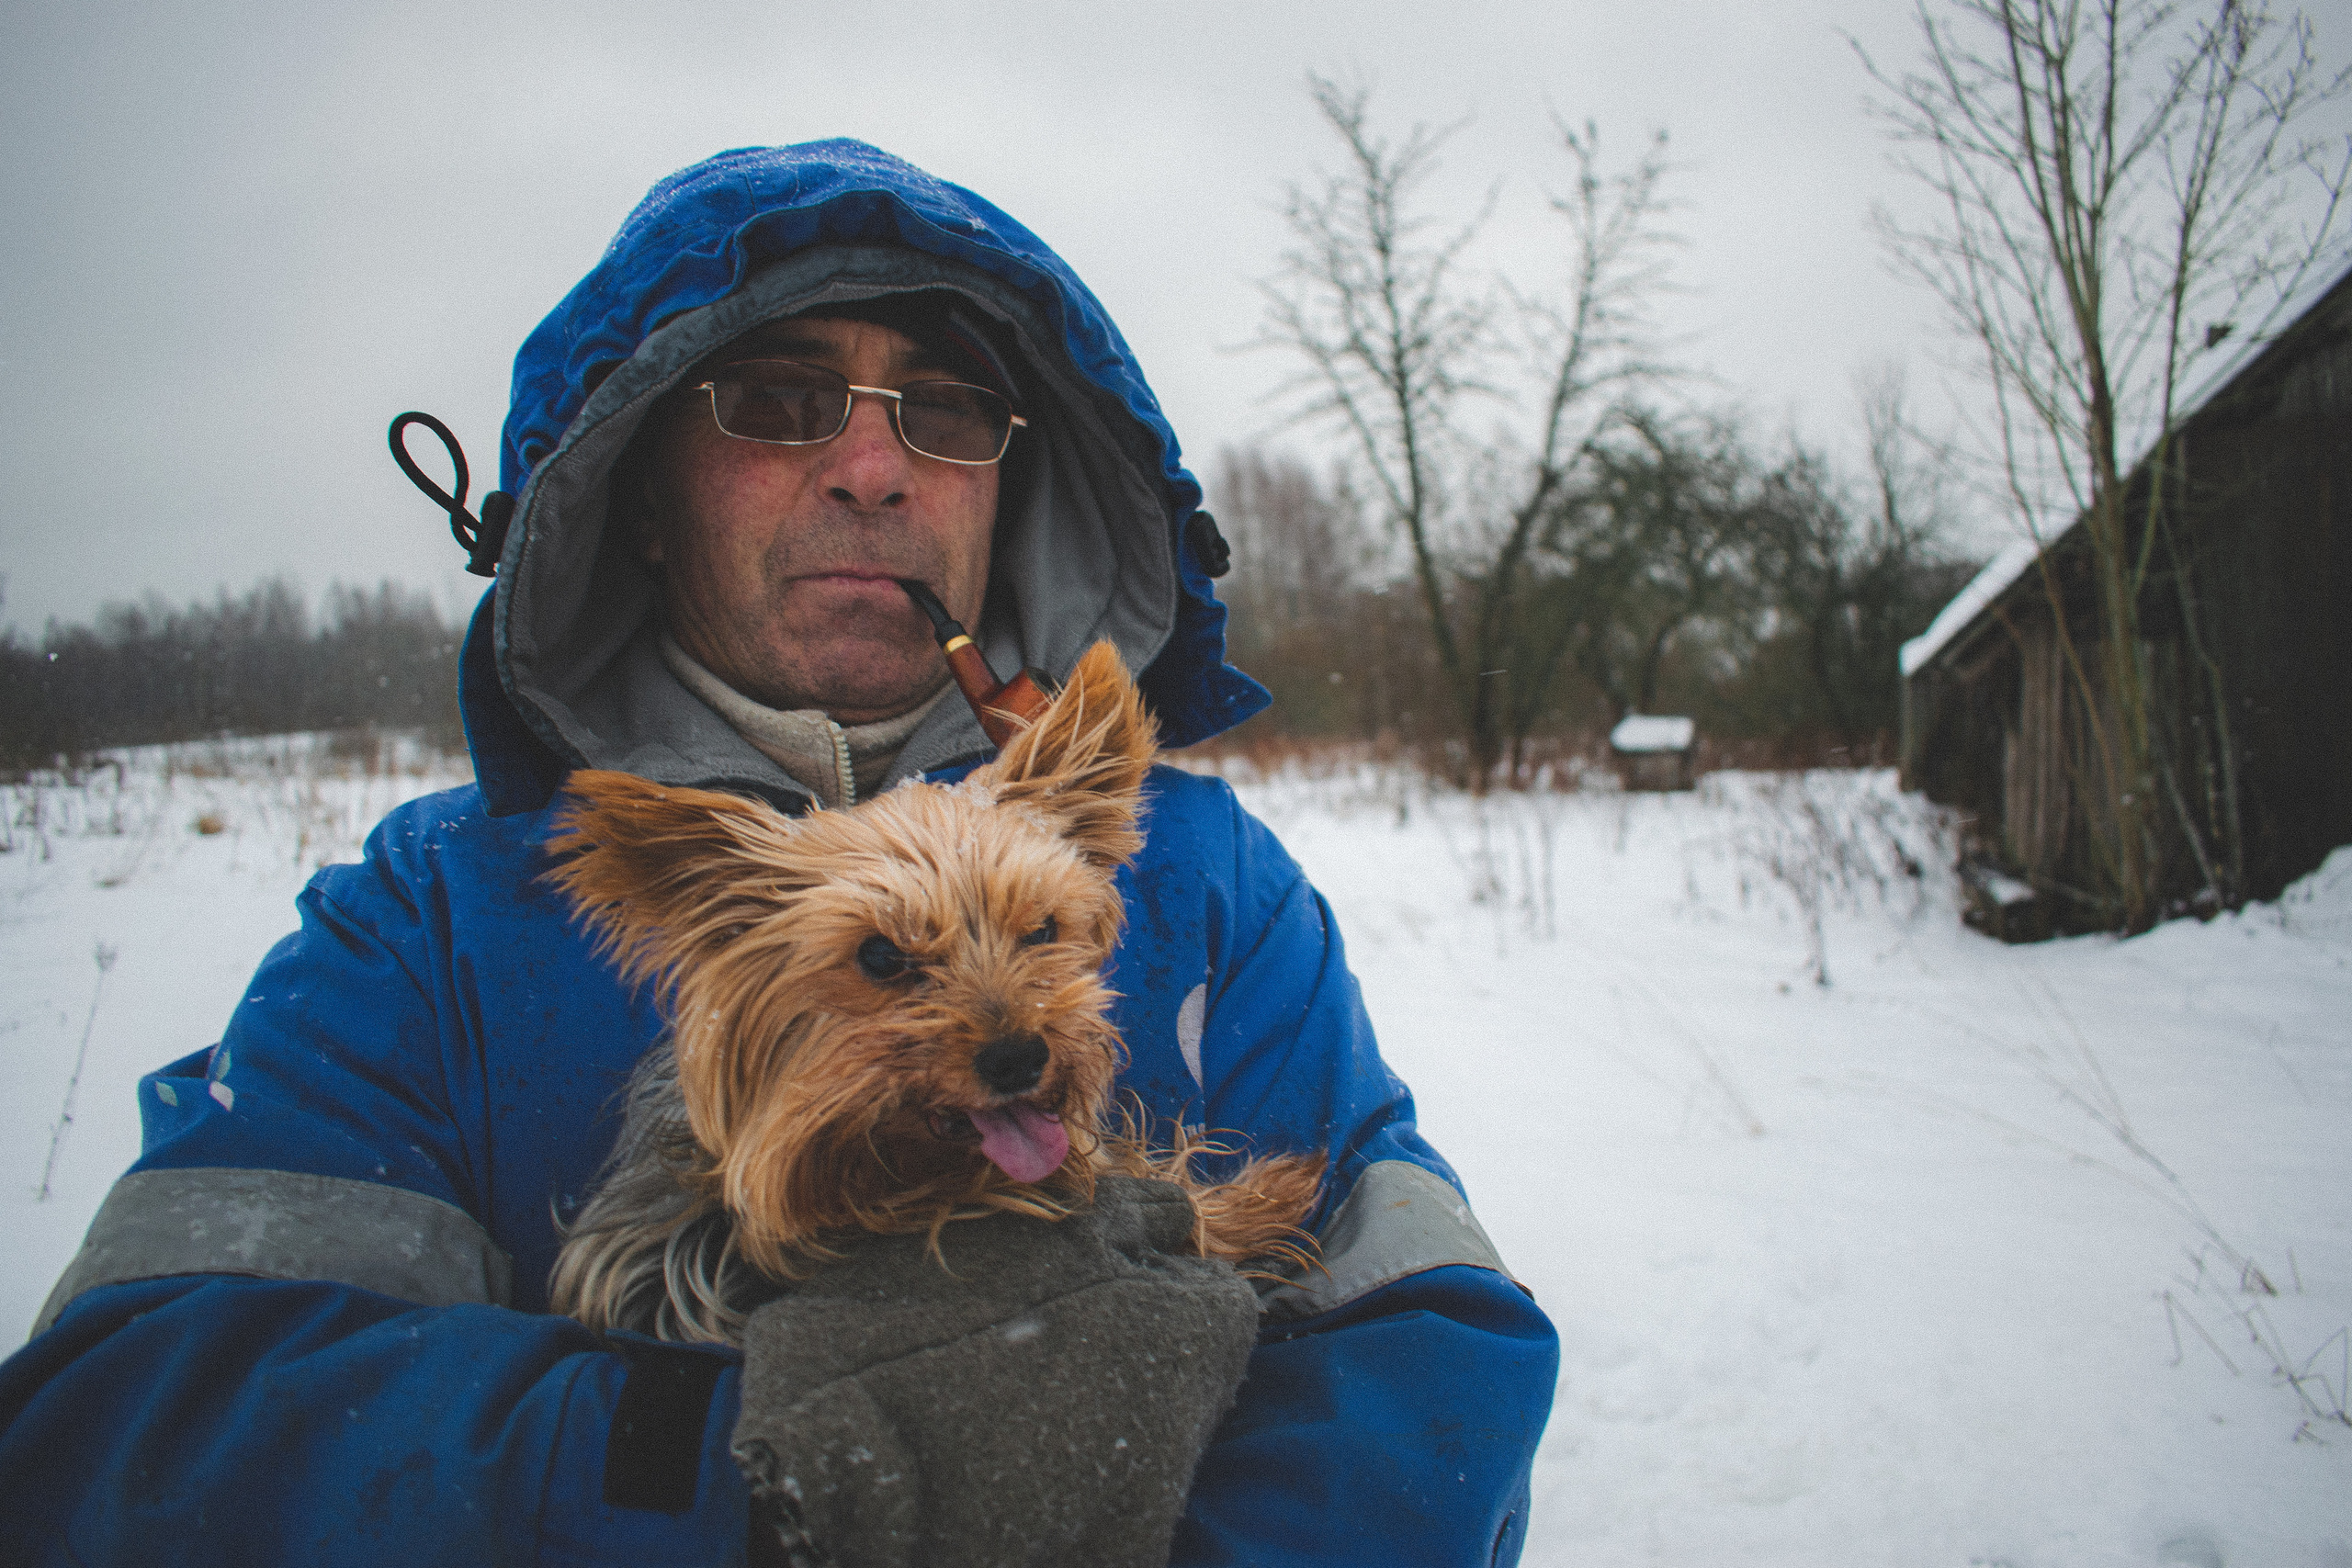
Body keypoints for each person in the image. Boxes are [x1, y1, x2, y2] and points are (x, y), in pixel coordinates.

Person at [0, 141, 1557, 1565]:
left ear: (1007, 492)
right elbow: (137, 1428)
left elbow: (1428, 1381)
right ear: (640, 490)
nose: (873, 468)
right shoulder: (432, 915)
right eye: (779, 399)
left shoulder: (1208, 879)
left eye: (946, 413)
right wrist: (753, 1484)